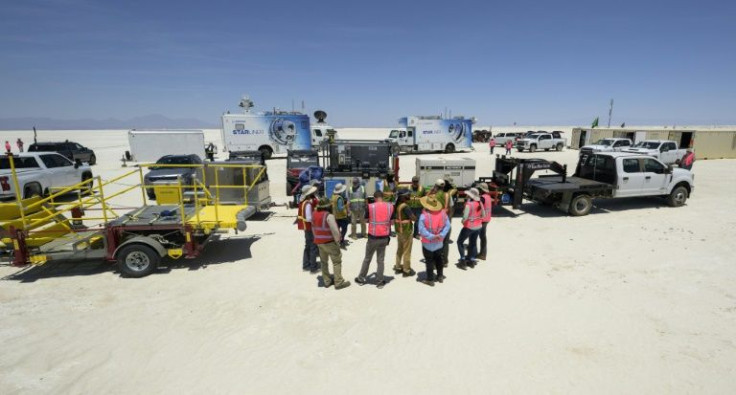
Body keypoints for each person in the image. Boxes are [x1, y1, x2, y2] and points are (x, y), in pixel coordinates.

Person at [356, 190, 394, 289]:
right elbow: (392, 222)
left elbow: (365, 220)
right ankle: (380, 282)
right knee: (380, 260)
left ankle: (361, 278)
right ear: (382, 196)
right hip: (384, 237)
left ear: (375, 198)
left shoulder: (371, 206)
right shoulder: (390, 206)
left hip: (373, 237)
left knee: (367, 259)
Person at [311, 198, 351, 290]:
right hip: (330, 242)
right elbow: (335, 231)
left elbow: (313, 228)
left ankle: (327, 281)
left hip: (319, 242)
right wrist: (338, 241)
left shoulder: (314, 214)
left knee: (323, 262)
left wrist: (317, 238)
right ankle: (338, 282)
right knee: (336, 262)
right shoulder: (329, 216)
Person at [417, 195, 450, 286]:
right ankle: (440, 276)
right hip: (439, 242)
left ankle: (430, 279)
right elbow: (447, 226)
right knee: (439, 259)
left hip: (427, 243)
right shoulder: (443, 214)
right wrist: (441, 235)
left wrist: (431, 236)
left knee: (429, 260)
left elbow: (421, 229)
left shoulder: (424, 216)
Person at [456, 188, 485, 268]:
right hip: (478, 226)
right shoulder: (480, 202)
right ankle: (471, 260)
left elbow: (465, 217)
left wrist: (463, 221)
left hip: (469, 226)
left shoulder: (469, 204)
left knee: (460, 242)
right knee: (473, 242)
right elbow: (484, 215)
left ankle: (462, 260)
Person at [393, 191, 417, 277]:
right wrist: (415, 216)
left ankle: (398, 267)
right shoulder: (405, 207)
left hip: (399, 230)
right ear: (402, 197)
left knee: (400, 249)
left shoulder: (396, 205)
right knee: (407, 250)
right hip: (406, 231)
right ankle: (406, 270)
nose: (409, 196)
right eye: (407, 195)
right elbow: (413, 219)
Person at [297, 185, 320, 272]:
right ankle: (313, 267)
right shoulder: (308, 204)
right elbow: (309, 218)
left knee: (307, 246)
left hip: (306, 228)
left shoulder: (303, 202)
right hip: (310, 227)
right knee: (313, 246)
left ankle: (306, 265)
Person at [477, 183, 493, 261]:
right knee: (482, 236)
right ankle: (482, 253)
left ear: (481, 190)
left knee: (482, 237)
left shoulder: (482, 198)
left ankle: (483, 254)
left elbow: (478, 208)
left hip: (482, 220)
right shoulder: (488, 197)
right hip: (487, 219)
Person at [330, 183, 350, 247]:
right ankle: (341, 240)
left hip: (335, 216)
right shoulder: (339, 198)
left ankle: (336, 240)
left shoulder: (333, 196)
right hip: (342, 217)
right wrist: (346, 205)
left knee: (337, 229)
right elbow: (340, 208)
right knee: (344, 229)